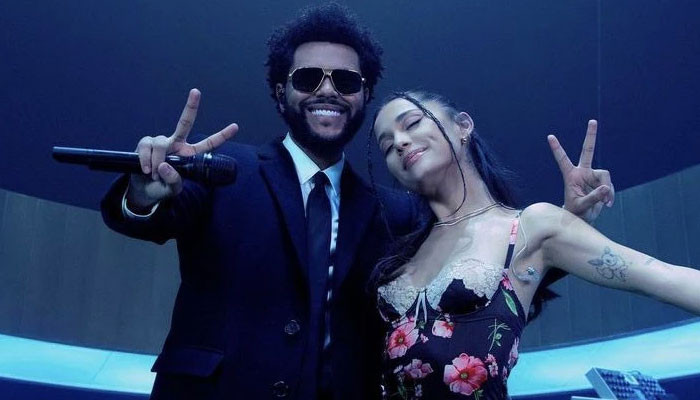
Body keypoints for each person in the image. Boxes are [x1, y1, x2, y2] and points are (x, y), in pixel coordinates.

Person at [100, 4, 613, 400]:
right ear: (280, 93)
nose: (327, 91)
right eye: (308, 78)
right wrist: (144, 193)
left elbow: (487, 270)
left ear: (364, 96)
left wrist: (567, 225)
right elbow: (143, 215)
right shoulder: (225, 170)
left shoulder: (399, 213)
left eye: (345, 81)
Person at [369, 90, 700, 399]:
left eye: (412, 123)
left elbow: (665, 277)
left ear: (463, 126)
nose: (399, 142)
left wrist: (569, 222)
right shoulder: (398, 254)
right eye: (386, 146)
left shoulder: (530, 228)